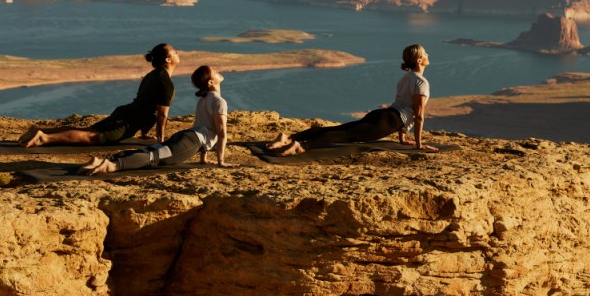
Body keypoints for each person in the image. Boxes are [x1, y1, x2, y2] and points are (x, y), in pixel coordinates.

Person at [266, 43, 437, 155]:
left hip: (383, 115)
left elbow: (402, 105)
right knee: (345, 135)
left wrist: (402, 139)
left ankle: (288, 138)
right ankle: (300, 147)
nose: (428, 55)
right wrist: (418, 145)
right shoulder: (421, 82)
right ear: (419, 60)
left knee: (339, 128)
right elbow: (418, 115)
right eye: (425, 54)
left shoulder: (405, 78)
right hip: (390, 121)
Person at [79, 64, 233, 174]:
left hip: (186, 136)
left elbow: (203, 127)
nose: (217, 71)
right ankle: (111, 166)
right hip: (191, 141)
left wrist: (203, 159)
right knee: (153, 157)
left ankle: (104, 160)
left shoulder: (204, 99)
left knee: (149, 150)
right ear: (210, 82)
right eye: (214, 71)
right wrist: (221, 161)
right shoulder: (219, 102)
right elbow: (221, 133)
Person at [19, 43, 178, 147]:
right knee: (91, 137)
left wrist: (143, 134)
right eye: (175, 51)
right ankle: (43, 138)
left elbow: (146, 103)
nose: (178, 53)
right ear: (168, 59)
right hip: (126, 122)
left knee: (88, 130)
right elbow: (161, 115)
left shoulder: (153, 75)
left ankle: (41, 130)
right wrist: (160, 141)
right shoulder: (165, 82)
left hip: (125, 112)